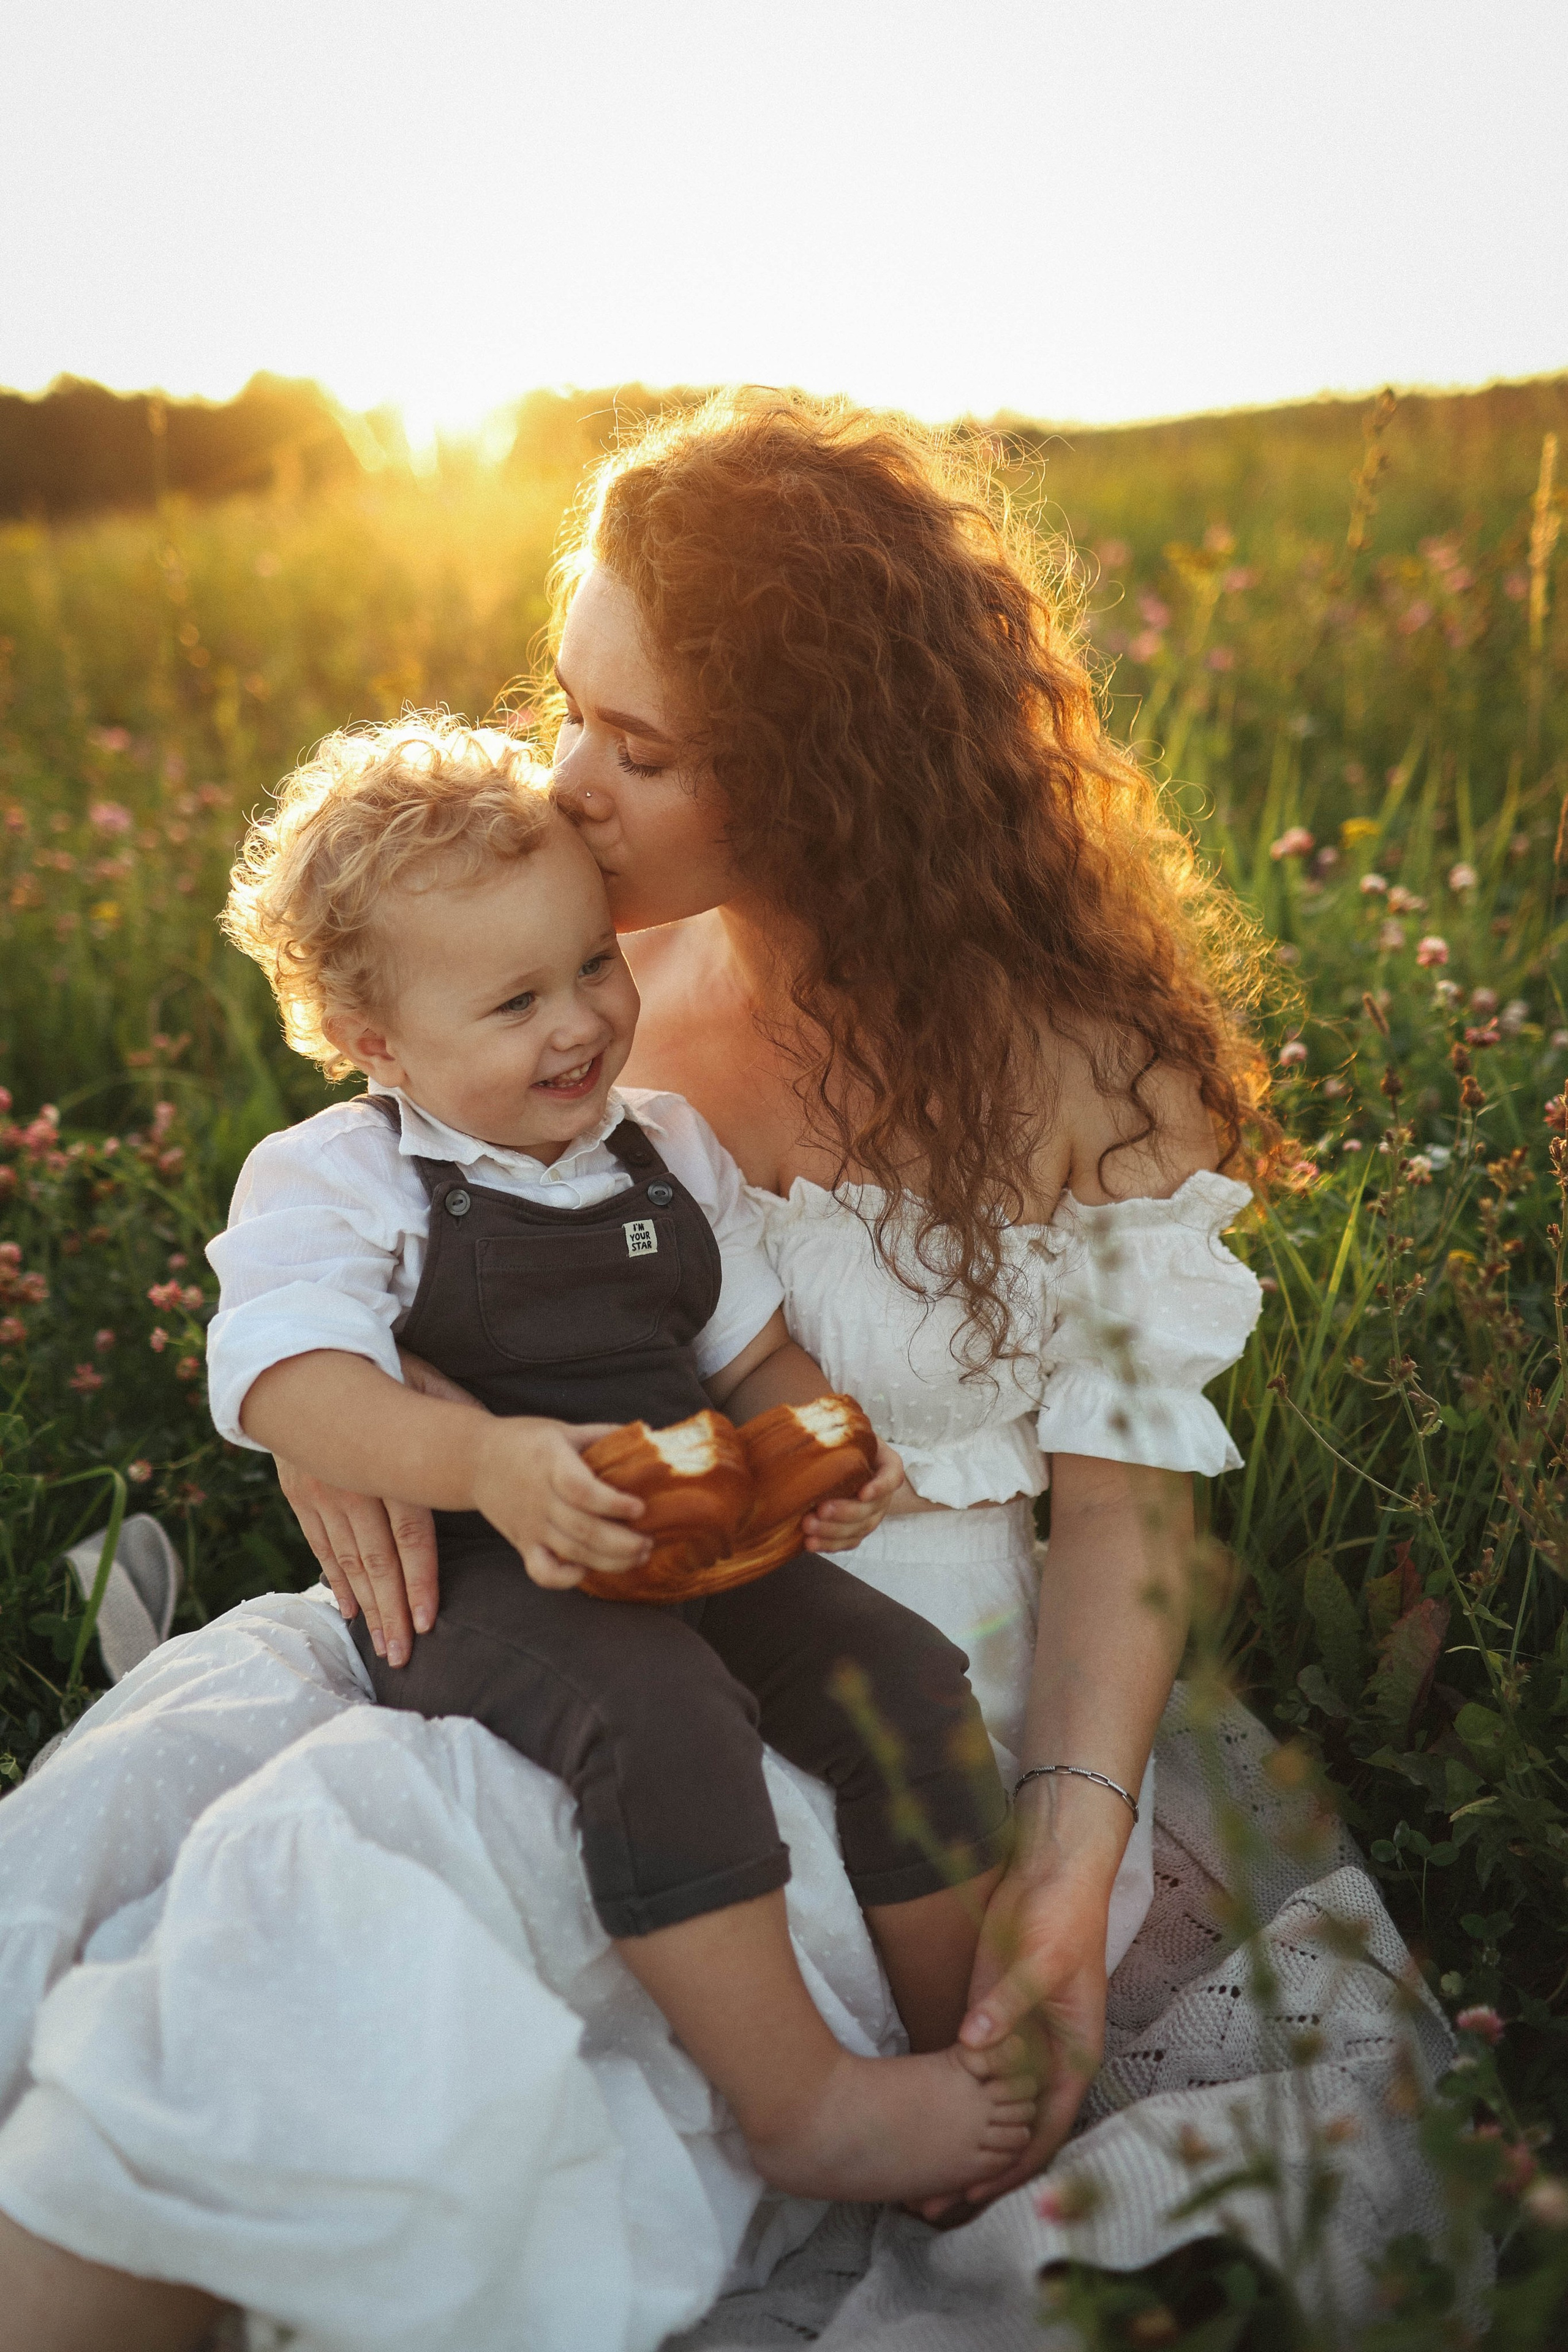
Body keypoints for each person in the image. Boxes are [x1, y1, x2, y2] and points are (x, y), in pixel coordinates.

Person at [0, 391, 1267, 2352]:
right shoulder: (601, 970)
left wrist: (1071, 1856)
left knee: (354, 1910)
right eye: (569, 706)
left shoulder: (1098, 1075)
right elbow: (405, 1212)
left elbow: (1125, 1522)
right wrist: (357, 1434)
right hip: (541, 1561)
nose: (567, 782)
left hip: (867, 1656)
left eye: (640, 746)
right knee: (183, 1823)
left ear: (826, 772)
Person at [209, 714, 1030, 2203]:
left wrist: (816, 1441)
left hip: (696, 1526)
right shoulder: (347, 1174)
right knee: (663, 1715)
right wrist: (483, 1460)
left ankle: (960, 2036)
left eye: (593, 963)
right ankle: (802, 2103)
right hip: (487, 1574)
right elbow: (290, 1378)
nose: (578, 1020)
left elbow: (747, 1353)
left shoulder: (658, 1147)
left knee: (900, 1675)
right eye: (514, 1000)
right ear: (372, 1037)